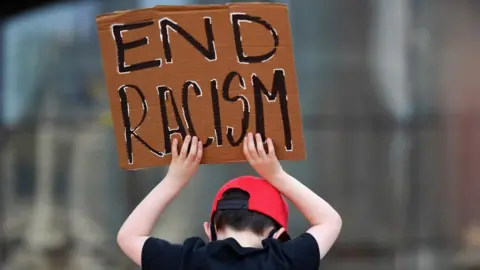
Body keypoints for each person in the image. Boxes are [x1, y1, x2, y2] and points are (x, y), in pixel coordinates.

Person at [117, 133, 342, 270]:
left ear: (209, 229)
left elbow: (129, 236)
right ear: (276, 234)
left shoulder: (186, 262)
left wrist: (174, 179)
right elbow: (329, 221)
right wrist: (277, 175)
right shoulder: (285, 263)